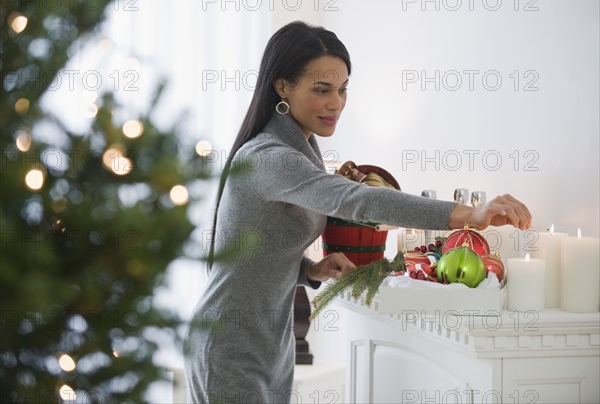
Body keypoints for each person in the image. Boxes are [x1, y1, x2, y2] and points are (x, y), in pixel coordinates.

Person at [184, 21, 531, 403]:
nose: (337, 103)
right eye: (322, 90)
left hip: (268, 341)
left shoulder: (303, 147)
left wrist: (308, 269)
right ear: (283, 86)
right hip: (231, 343)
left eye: (343, 89)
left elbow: (251, 247)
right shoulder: (270, 157)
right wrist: (469, 215)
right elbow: (358, 200)